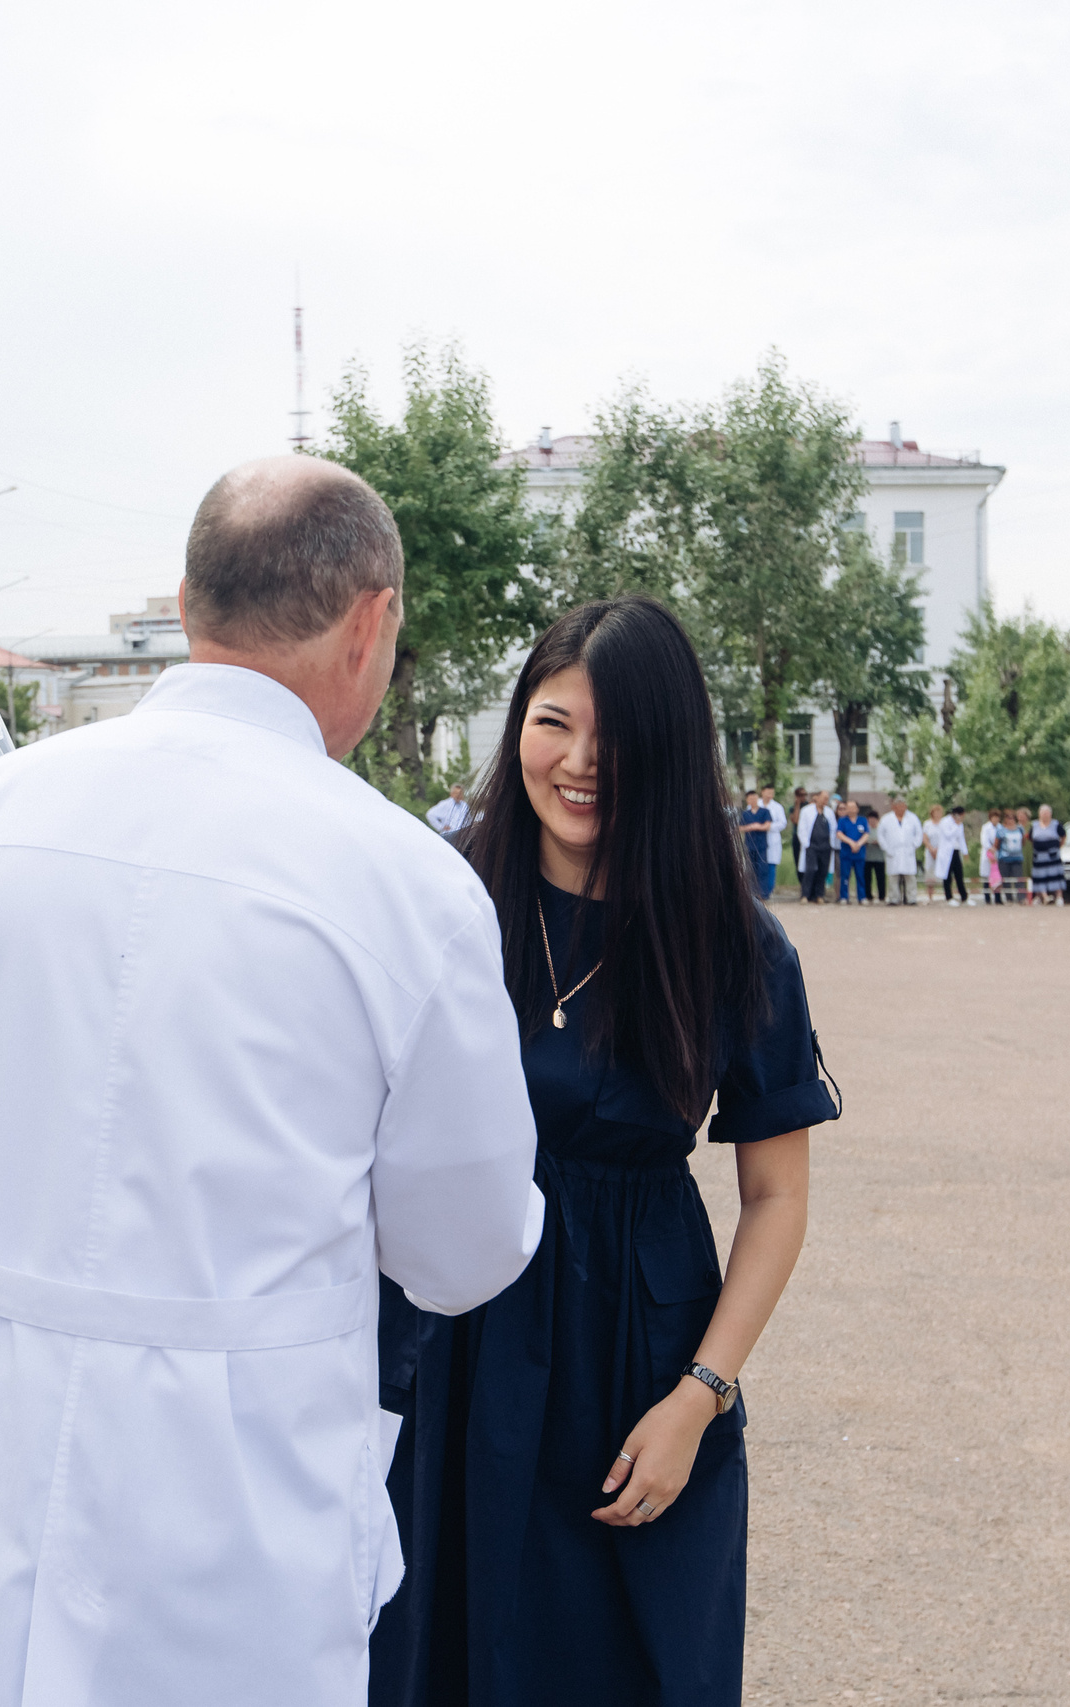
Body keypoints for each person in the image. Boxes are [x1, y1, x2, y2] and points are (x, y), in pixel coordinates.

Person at [0, 456, 545, 1706]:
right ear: (374, 624)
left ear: (187, 609)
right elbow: (461, 1252)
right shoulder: (405, 890)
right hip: (228, 1487)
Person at [373, 595, 838, 1707]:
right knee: (421, 1645)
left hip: (638, 1350)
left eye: (616, 735)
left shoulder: (731, 941)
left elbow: (774, 1196)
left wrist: (701, 1395)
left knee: (628, 1663)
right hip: (447, 1336)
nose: (581, 763)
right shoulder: (440, 902)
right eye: (552, 723)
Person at [877, 794, 924, 906]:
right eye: (898, 806)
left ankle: (911, 898)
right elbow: (880, 835)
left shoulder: (913, 818)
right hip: (892, 851)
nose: (901, 809)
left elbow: (919, 834)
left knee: (910, 877)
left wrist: (914, 845)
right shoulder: (886, 819)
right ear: (894, 807)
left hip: (908, 851)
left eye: (903, 806)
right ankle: (894, 899)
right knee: (893, 877)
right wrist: (886, 847)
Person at [932, 804, 970, 905]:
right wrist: (956, 826)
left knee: (959, 874)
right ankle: (949, 897)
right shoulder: (945, 821)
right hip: (946, 852)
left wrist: (965, 851)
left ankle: (964, 897)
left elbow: (961, 838)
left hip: (956, 851)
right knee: (947, 875)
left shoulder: (959, 824)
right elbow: (948, 835)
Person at [1029, 803, 1066, 905]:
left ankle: (1059, 897)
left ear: (1050, 814)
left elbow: (1063, 836)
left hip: (1052, 855)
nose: (1045, 815)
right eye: (1043, 813)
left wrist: (1058, 846)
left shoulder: (1056, 824)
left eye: (1046, 813)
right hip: (1039, 856)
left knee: (1055, 876)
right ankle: (1041, 897)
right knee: (1039, 876)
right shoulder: (1035, 825)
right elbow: (1031, 838)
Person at [834, 797, 869, 904]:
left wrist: (858, 844)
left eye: (853, 807)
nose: (850, 809)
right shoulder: (842, 821)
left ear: (857, 809)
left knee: (860, 875)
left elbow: (866, 834)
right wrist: (851, 843)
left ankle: (862, 897)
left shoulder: (862, 820)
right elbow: (839, 834)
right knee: (845, 875)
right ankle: (844, 896)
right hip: (846, 852)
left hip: (859, 853)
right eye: (848, 807)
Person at [738, 791, 771, 885]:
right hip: (749, 845)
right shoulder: (745, 814)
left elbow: (767, 826)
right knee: (750, 870)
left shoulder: (765, 812)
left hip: (761, 845)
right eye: (750, 799)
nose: (753, 800)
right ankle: (752, 892)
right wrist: (751, 827)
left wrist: (757, 826)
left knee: (762, 869)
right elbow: (739, 828)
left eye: (754, 798)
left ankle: (763, 893)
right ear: (747, 800)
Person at [761, 786, 787, 902]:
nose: (769, 795)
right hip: (758, 839)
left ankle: (767, 892)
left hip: (772, 839)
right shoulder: (755, 804)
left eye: (772, 793)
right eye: (768, 792)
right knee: (758, 866)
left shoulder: (777, 807)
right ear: (762, 792)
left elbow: (783, 823)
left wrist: (769, 826)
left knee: (771, 866)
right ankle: (757, 891)